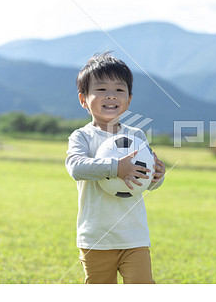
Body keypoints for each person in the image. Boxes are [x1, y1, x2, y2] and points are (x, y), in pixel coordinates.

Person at [65, 52, 166, 284]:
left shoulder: (136, 135)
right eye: (101, 89)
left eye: (119, 90)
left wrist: (157, 177)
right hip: (96, 238)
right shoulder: (82, 137)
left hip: (134, 236)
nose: (111, 95)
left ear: (129, 99)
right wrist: (115, 168)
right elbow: (75, 167)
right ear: (83, 99)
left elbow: (145, 180)